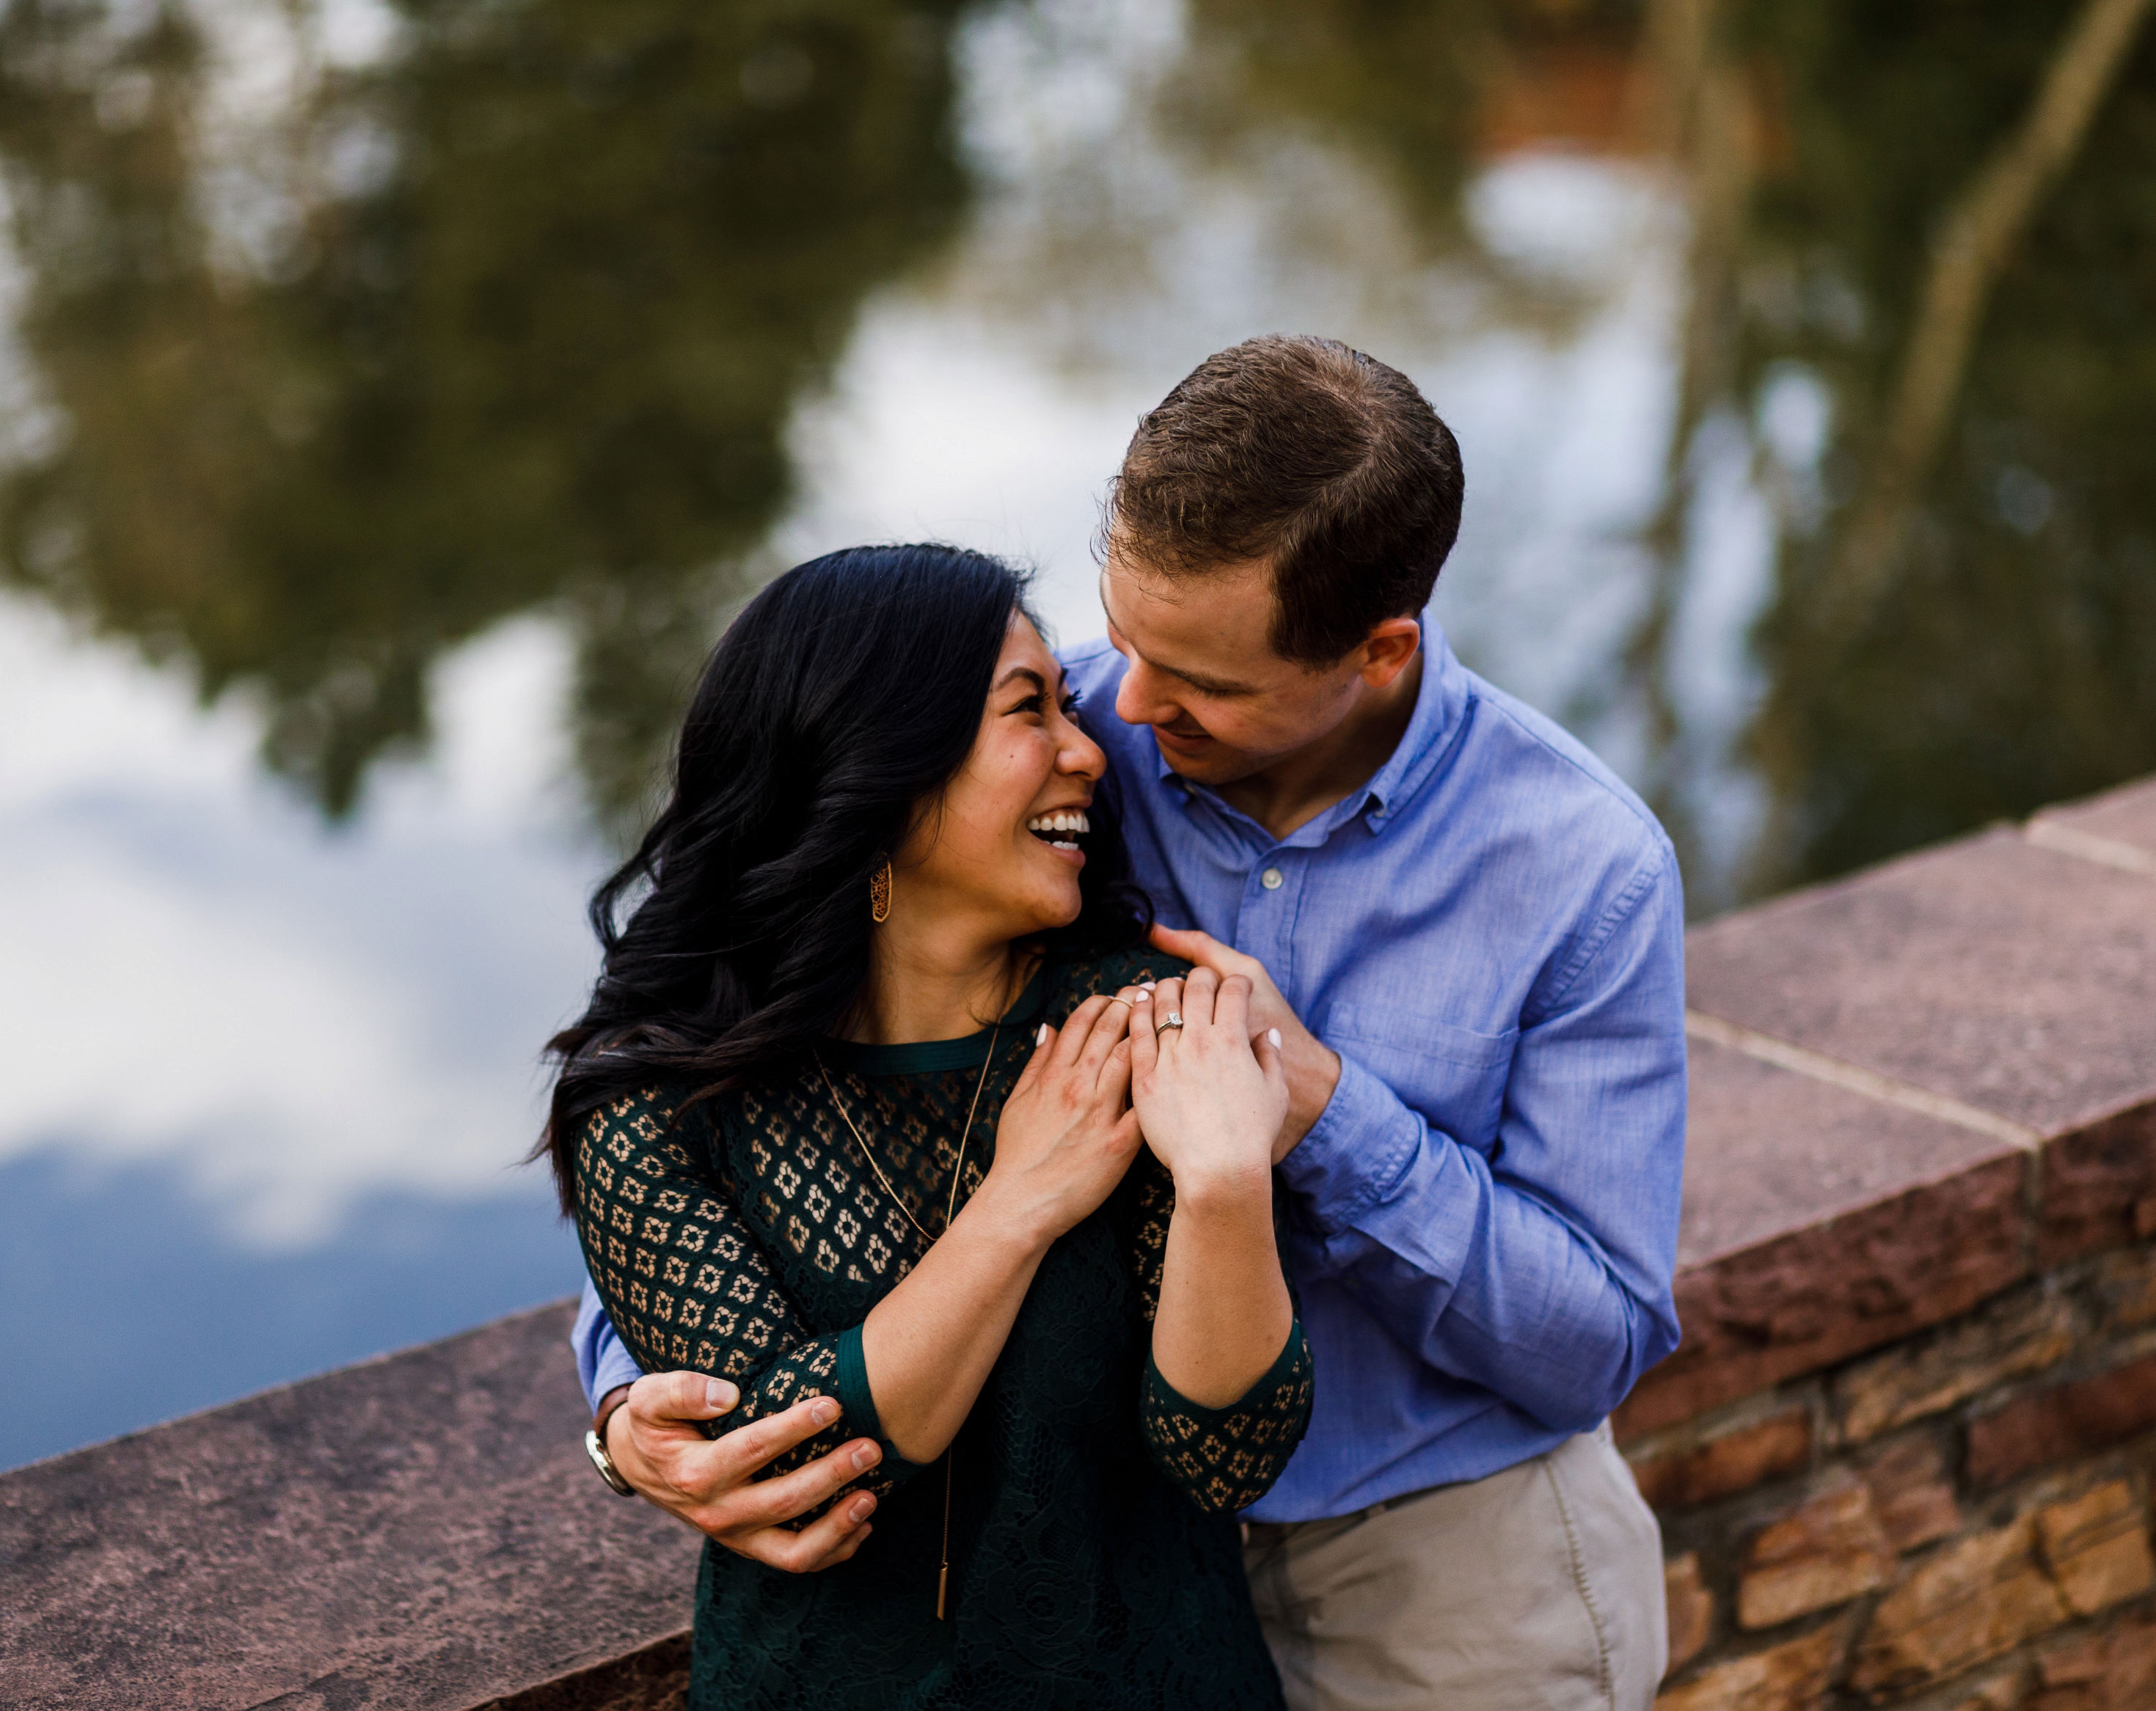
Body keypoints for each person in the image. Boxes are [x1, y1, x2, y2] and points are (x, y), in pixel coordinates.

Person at [577, 336, 1687, 1710]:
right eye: (1128, 637)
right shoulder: (1056, 744)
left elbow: (1599, 1342)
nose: (1130, 710)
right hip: (1093, 1554)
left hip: (1430, 1563)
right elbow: (735, 1078)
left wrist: (1326, 1115)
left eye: (1204, 682)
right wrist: (634, 1408)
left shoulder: (1585, 868)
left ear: (1376, 651)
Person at [538, 542, 1315, 1710]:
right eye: (1028, 711)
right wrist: (1018, 1205)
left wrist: (1222, 1185)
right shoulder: (654, 1106)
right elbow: (795, 1471)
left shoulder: (1127, 1025)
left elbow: (1226, 1451)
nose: (1089, 750)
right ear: (883, 769)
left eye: (1068, 704)